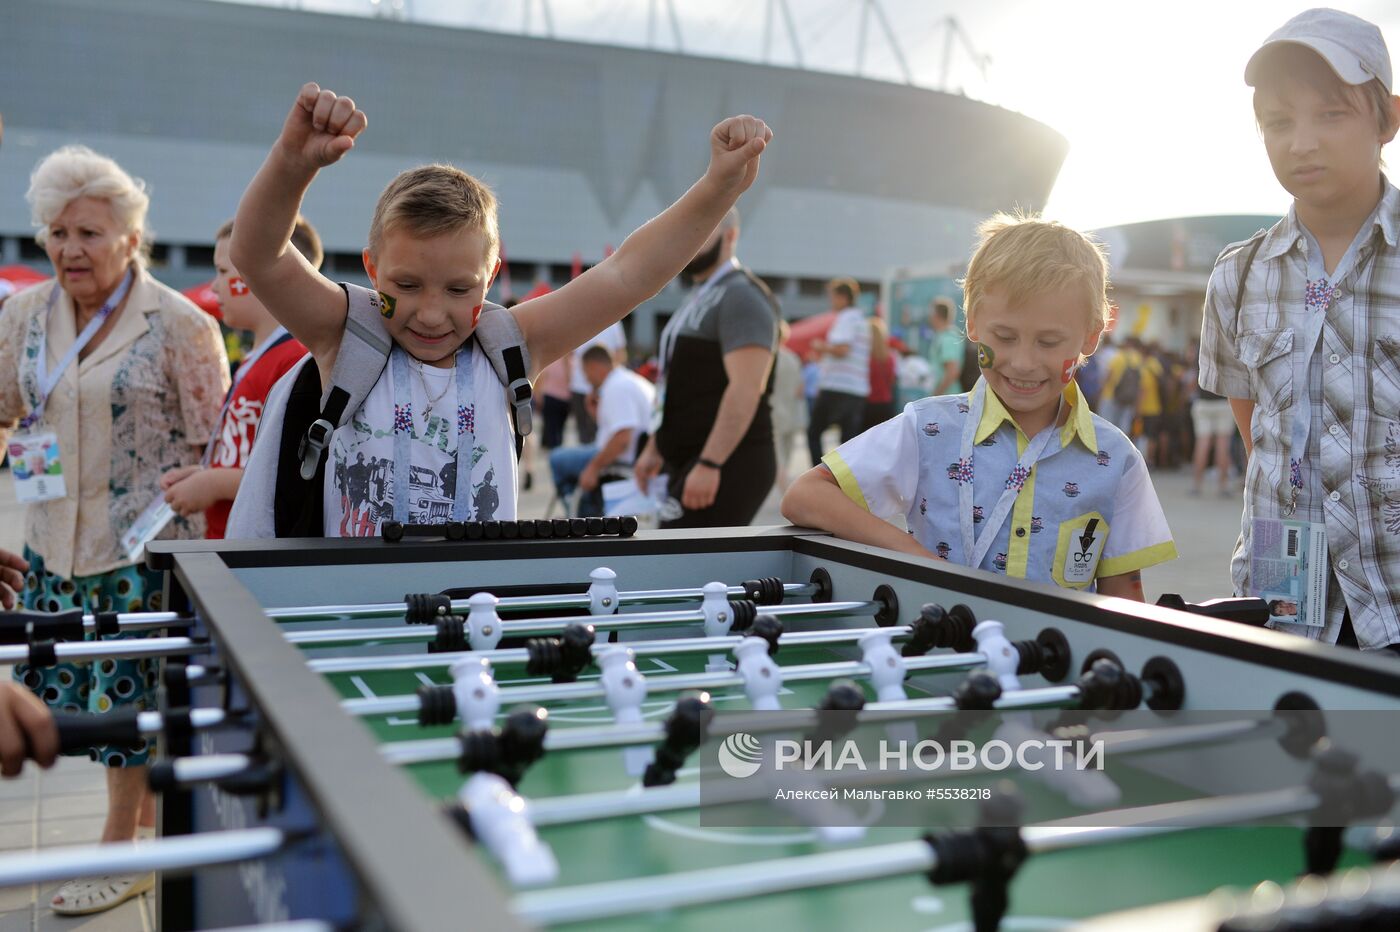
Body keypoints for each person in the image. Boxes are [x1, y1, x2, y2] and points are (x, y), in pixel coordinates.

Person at [227, 83, 769, 539]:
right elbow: (258, 256)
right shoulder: (345, 333)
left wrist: (717, 186)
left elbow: (629, 273)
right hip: (352, 621)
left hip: (474, 625)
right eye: (407, 284)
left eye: (460, 290)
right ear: (372, 269)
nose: (431, 313)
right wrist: (291, 164)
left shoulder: (511, 343)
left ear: (491, 276)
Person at [0, 145, 228, 914]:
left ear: (132, 238)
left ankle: (121, 845)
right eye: (57, 232)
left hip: (144, 546)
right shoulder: (24, 315)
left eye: (90, 233)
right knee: (87, 705)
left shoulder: (181, 324)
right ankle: (134, 833)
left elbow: (214, 444)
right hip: (53, 537)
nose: (70, 249)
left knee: (128, 709)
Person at [782, 215, 1177, 600]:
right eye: (1004, 336)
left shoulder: (1116, 458)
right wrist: (918, 561)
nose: (1023, 362)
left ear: (1091, 337)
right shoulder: (928, 428)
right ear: (972, 323)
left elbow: (1123, 595)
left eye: (1049, 342)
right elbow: (805, 496)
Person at [1199, 9, 1400, 651]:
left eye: (1331, 114)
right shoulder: (1238, 274)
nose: (1302, 142)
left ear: (1388, 119)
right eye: (1279, 122)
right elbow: (1255, 429)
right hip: (1280, 609)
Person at [158, 217, 318, 537]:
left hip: (254, 551)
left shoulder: (294, 361)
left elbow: (293, 474)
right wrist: (205, 473)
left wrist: (213, 483)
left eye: (223, 272)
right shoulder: (257, 359)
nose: (214, 286)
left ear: (261, 272)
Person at [633, 208, 780, 528]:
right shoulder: (702, 294)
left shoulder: (743, 296)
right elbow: (677, 382)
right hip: (689, 459)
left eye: (704, 229)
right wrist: (655, 446)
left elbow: (746, 387)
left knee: (684, 566)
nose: (692, 239)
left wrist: (711, 463)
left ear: (731, 236)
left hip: (726, 462)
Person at [549, 345, 654, 515]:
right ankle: (586, 506)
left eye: (585, 372)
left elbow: (622, 439)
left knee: (557, 459)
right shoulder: (628, 380)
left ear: (594, 367)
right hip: (635, 454)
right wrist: (594, 413)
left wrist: (593, 468)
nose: (586, 378)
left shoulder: (617, 387)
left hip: (620, 457)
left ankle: (583, 514)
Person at [805, 278, 869, 466]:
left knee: (814, 433)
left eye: (832, 297)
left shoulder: (846, 318)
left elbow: (842, 349)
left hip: (837, 387)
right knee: (848, 442)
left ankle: (820, 476)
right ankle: (845, 483)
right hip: (856, 388)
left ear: (842, 297)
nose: (831, 301)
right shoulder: (860, 319)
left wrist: (821, 347)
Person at [569, 322, 627, 444]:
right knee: (584, 431)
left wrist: (611, 377)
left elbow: (620, 352)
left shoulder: (614, 321)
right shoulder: (577, 317)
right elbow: (568, 353)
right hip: (579, 385)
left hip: (604, 384)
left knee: (604, 426)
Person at [769, 319, 808, 490]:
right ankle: (786, 484)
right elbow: (801, 388)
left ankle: (785, 487)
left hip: (774, 410)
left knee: (777, 455)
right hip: (792, 410)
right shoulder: (793, 358)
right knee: (788, 450)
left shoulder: (768, 358)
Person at [863, 316, 897, 432]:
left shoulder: (865, 359)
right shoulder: (890, 357)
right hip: (886, 405)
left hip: (867, 406)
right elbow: (892, 380)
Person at [926, 296, 964, 396]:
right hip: (945, 397)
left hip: (947, 397)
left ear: (936, 315)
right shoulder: (942, 336)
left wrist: (936, 394)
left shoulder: (948, 338)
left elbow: (952, 371)